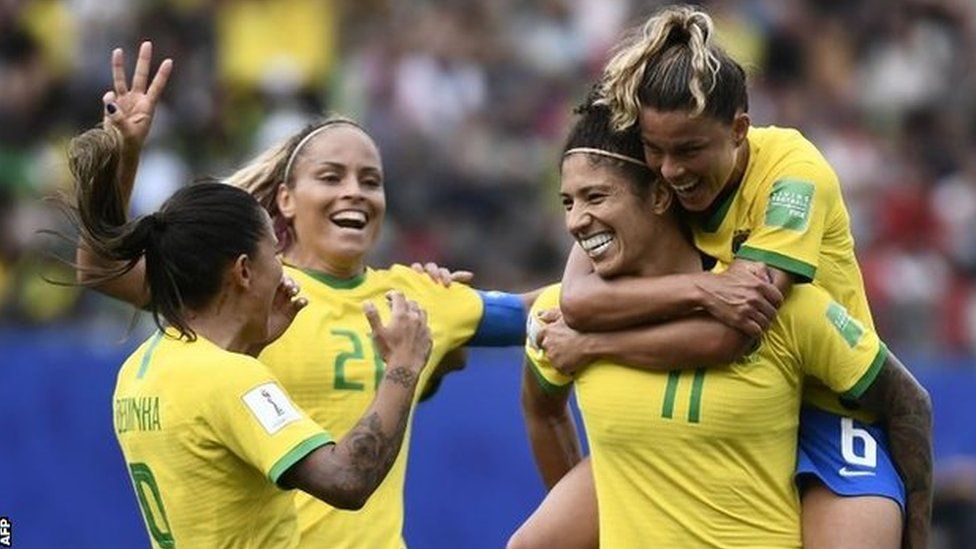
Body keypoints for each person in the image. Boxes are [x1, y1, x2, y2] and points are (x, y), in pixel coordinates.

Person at [76, 42, 537, 548]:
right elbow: (101, 267)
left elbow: (549, 312)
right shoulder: (238, 294)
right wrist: (124, 152)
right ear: (286, 200)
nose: (354, 191)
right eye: (331, 176)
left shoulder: (410, 299)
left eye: (371, 180)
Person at [552, 6, 932, 548]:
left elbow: (735, 331)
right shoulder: (660, 173)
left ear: (738, 130)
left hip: (823, 406)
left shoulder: (793, 173)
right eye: (656, 151)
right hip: (730, 400)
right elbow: (576, 299)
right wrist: (705, 287)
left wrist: (592, 347)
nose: (672, 170)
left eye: (689, 151)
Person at [67, 124, 434, 547]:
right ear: (243, 270)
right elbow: (346, 479)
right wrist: (403, 366)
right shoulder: (232, 380)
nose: (282, 267)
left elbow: (217, 458)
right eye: (274, 253)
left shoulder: (139, 370)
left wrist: (252, 343)